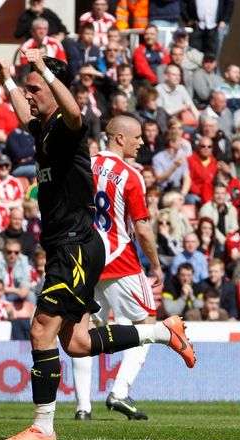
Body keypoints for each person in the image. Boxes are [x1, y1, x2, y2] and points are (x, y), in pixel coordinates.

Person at [0, 51, 195, 440]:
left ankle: (43, 427)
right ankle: (163, 332)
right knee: (79, 343)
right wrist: (6, 80)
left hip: (75, 248)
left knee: (40, 332)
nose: (29, 94)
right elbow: (21, 112)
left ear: (56, 89)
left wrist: (40, 71)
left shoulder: (68, 128)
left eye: (35, 87)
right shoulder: (44, 129)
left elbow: (74, 113)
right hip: (67, 247)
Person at [72, 115, 165, 421]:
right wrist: (156, 264)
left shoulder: (84, 164)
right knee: (147, 323)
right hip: (120, 260)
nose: (142, 143)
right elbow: (142, 229)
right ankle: (120, 391)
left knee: (84, 330)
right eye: (137, 137)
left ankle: (83, 407)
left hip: (85, 260)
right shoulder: (130, 175)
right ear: (120, 138)